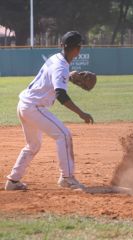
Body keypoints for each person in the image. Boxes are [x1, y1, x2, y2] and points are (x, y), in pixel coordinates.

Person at [5, 31, 94, 191]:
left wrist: (70, 75)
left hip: (24, 104)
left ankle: (13, 181)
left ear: (62, 45)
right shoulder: (61, 66)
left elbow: (55, 76)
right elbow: (61, 95)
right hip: (34, 107)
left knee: (33, 145)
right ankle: (67, 178)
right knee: (64, 135)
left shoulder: (56, 58)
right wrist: (81, 113)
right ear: (77, 49)